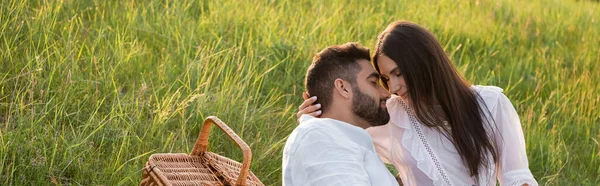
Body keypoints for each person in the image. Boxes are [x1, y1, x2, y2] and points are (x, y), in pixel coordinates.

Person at [297, 21, 538, 186]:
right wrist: (315, 120)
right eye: (385, 79)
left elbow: (516, 176)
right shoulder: (392, 115)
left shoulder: (491, 104)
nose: (394, 88)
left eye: (399, 73)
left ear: (424, 62)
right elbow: (341, 136)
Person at [282, 42, 399, 186]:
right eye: (374, 82)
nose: (387, 93)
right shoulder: (319, 138)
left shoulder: (340, 139)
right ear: (343, 88)